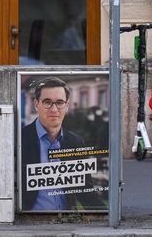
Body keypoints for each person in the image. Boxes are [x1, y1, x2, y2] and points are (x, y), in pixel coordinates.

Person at [21, 77, 100, 211]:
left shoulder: (76, 142)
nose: (54, 109)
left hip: (67, 221)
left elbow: (85, 191)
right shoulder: (20, 139)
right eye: (47, 102)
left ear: (67, 105)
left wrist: (107, 216)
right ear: (36, 104)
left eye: (59, 102)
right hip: (31, 222)